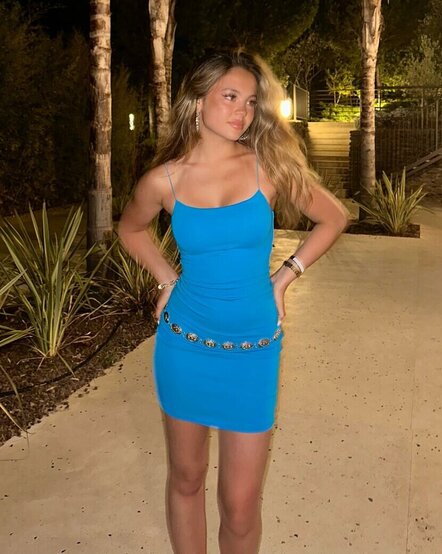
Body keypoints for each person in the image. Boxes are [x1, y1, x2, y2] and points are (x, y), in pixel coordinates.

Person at [118, 48, 349, 554]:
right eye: (229, 97)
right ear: (197, 100)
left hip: (253, 350)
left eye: (249, 101)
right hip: (184, 344)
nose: (242, 111)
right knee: (186, 477)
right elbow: (130, 229)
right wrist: (165, 278)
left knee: (240, 506)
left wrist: (285, 276)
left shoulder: (268, 166)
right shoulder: (164, 179)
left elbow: (333, 217)